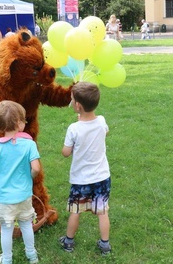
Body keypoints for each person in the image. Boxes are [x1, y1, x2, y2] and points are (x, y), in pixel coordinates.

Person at [0, 100, 40, 264]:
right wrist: (30, 175)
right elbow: (36, 168)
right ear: (20, 124)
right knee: (26, 224)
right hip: (24, 195)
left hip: (4, 197)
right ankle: (32, 255)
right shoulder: (29, 144)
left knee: (6, 229)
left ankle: (7, 259)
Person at [58, 82, 112, 256]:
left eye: (72, 100)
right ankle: (105, 245)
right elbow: (106, 132)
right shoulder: (102, 121)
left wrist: (73, 145)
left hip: (81, 180)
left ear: (78, 106)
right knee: (102, 212)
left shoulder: (74, 129)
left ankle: (69, 242)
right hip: (102, 178)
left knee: (76, 211)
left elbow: (66, 153)